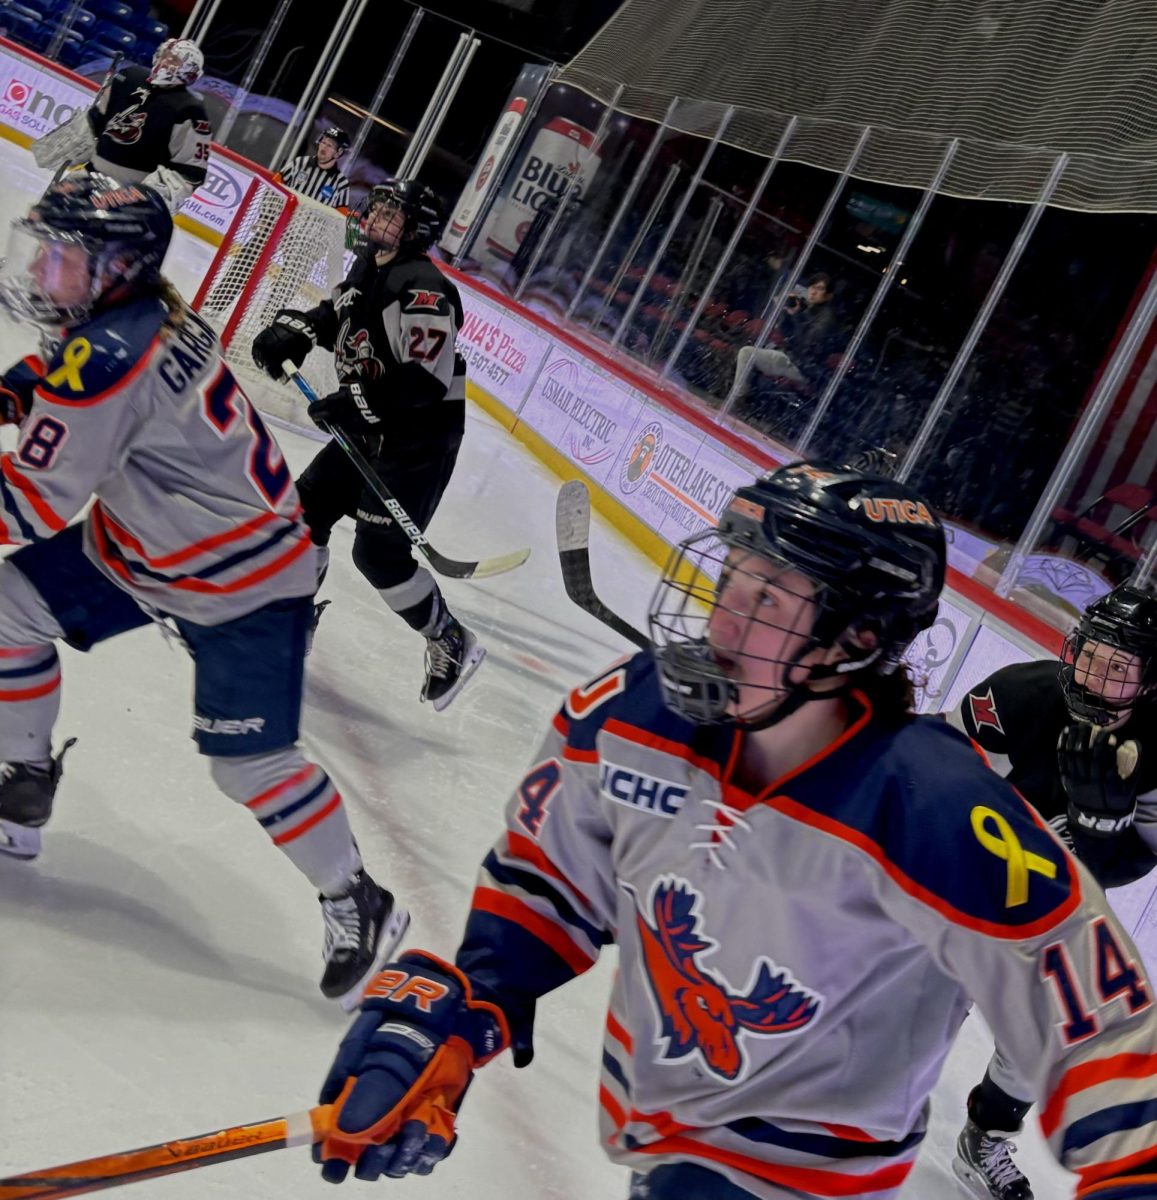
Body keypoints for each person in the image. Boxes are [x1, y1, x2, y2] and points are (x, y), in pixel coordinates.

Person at [308, 460, 1157, 1198]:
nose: (723, 618)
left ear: (853, 639)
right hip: (665, 1141)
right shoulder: (632, 711)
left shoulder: (935, 811)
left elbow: (1102, 1026)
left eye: (767, 597)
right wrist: (469, 1007)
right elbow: (549, 883)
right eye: (733, 579)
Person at [0, 172, 406, 1005]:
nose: (44, 272)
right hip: (153, 546)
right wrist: (13, 389)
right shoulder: (142, 316)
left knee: (247, 764)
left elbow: (30, 504)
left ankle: (354, 897)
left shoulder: (109, 355)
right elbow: (60, 371)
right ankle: (23, 781)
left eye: (64, 258)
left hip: (240, 579)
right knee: (7, 610)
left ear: (117, 266)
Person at [945, 580, 1157, 1200]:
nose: (1092, 673)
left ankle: (984, 1137)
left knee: (1055, 1017)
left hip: (1057, 909)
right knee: (915, 1001)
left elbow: (1137, 860)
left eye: (1117, 666)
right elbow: (939, 795)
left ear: (1150, 682)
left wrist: (1094, 835)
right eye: (1090, 652)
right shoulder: (1017, 694)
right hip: (964, 878)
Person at [250, 179, 483, 711]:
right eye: (375, 208)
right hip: (371, 423)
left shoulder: (425, 288)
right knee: (303, 512)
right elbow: (341, 315)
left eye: (391, 214)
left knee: (378, 555)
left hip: (417, 440)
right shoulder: (368, 268)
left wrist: (355, 403)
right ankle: (293, 620)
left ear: (416, 227)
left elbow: (424, 383)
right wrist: (300, 329)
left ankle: (449, 638)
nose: (375, 218)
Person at [31, 39, 213, 213]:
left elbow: (190, 171)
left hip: (127, 193)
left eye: (173, 59)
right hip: (91, 174)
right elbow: (98, 120)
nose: (165, 62)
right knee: (49, 214)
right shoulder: (130, 78)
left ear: (189, 71)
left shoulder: (190, 110)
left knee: (95, 238)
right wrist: (80, 136)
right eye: (163, 55)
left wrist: (146, 196)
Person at [276, 127, 352, 209]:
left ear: (338, 152)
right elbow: (274, 186)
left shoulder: (341, 183)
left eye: (329, 145)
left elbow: (340, 216)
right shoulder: (299, 163)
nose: (323, 147)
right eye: (323, 142)